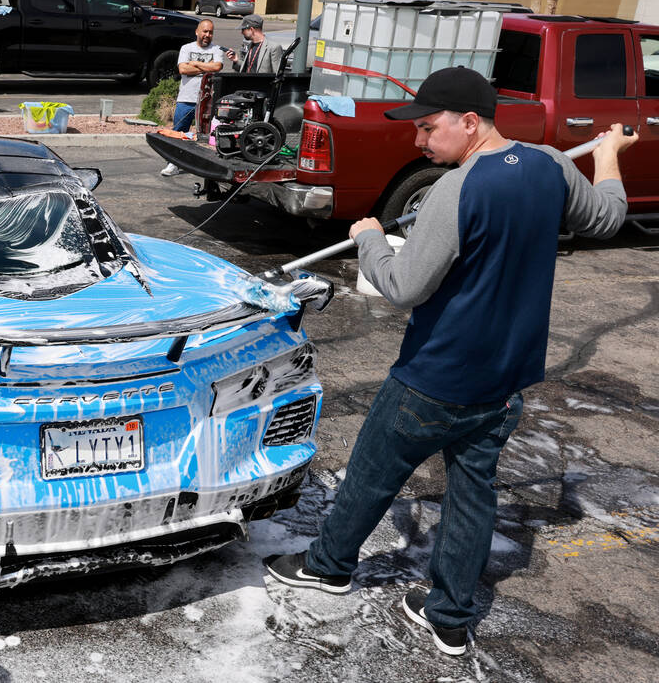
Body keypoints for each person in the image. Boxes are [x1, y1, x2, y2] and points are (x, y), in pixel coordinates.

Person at [262, 66, 637, 656]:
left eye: (429, 128)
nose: (419, 141)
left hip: (435, 378)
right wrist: (610, 154)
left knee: (371, 473)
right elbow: (608, 218)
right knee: (472, 492)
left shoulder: (454, 191)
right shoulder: (551, 166)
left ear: (469, 122)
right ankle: (450, 617)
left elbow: (405, 286)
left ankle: (327, 567)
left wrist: (368, 237)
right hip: (505, 380)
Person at [161, 19, 224, 177]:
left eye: (210, 32)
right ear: (197, 31)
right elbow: (183, 69)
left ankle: (208, 165)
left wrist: (195, 64)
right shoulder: (186, 48)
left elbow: (217, 67)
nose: (207, 35)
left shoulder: (217, 50)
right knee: (179, 132)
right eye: (204, 31)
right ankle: (173, 163)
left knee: (209, 135)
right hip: (187, 98)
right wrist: (206, 68)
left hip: (208, 101)